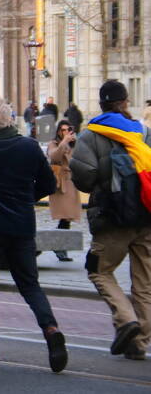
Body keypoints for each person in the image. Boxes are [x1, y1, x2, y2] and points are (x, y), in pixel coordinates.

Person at [0, 98, 68, 372]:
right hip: (21, 227)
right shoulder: (29, 147)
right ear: (10, 120)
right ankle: (50, 327)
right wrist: (25, 199)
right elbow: (49, 183)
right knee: (30, 285)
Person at [70, 80, 151, 361]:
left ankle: (126, 319)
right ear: (125, 102)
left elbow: (83, 177)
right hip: (146, 216)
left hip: (113, 217)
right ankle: (139, 344)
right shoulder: (144, 132)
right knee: (144, 282)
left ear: (102, 104)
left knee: (99, 269)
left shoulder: (90, 135)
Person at [47, 120, 83, 262]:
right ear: (58, 132)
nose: (65, 132)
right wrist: (64, 142)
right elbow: (54, 156)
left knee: (68, 217)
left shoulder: (75, 144)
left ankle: (59, 246)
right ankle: (58, 246)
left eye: (68, 129)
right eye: (62, 130)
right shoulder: (54, 144)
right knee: (64, 215)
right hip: (60, 183)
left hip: (72, 182)